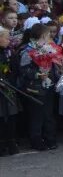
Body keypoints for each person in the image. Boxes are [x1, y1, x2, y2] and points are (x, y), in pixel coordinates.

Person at [17, 23, 61, 150]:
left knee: (48, 114)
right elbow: (24, 69)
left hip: (49, 85)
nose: (49, 37)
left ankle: (50, 138)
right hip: (35, 87)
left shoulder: (49, 48)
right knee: (37, 115)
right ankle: (36, 140)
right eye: (47, 35)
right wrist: (38, 74)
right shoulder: (27, 50)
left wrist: (59, 69)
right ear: (42, 35)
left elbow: (54, 64)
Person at [0, 28, 19, 156]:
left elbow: (14, 70)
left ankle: (11, 142)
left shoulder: (9, 52)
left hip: (9, 87)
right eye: (6, 38)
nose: (9, 40)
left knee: (12, 115)